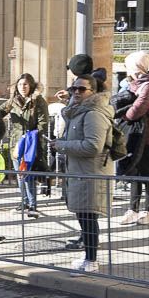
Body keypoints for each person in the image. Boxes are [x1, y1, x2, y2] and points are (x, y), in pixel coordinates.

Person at [54, 67, 115, 273]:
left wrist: (62, 146)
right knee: (84, 217)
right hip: (81, 173)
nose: (76, 93)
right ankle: (89, 257)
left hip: (90, 174)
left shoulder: (93, 114)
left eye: (81, 89)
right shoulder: (80, 112)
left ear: (93, 92)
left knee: (89, 218)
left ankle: (91, 260)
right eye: (73, 89)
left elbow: (92, 146)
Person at [115, 50, 149, 225]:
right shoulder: (137, 84)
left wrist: (122, 115)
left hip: (146, 136)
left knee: (147, 173)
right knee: (135, 171)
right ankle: (133, 209)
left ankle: (147, 210)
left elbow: (137, 110)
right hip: (137, 135)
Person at [1, 73, 49, 217]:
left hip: (30, 144)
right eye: (20, 84)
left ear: (31, 86)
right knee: (20, 175)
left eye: (26, 84)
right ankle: (24, 202)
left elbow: (43, 123)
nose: (23, 87)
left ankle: (32, 205)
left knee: (28, 176)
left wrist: (32, 136)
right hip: (16, 144)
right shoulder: (13, 101)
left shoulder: (38, 101)